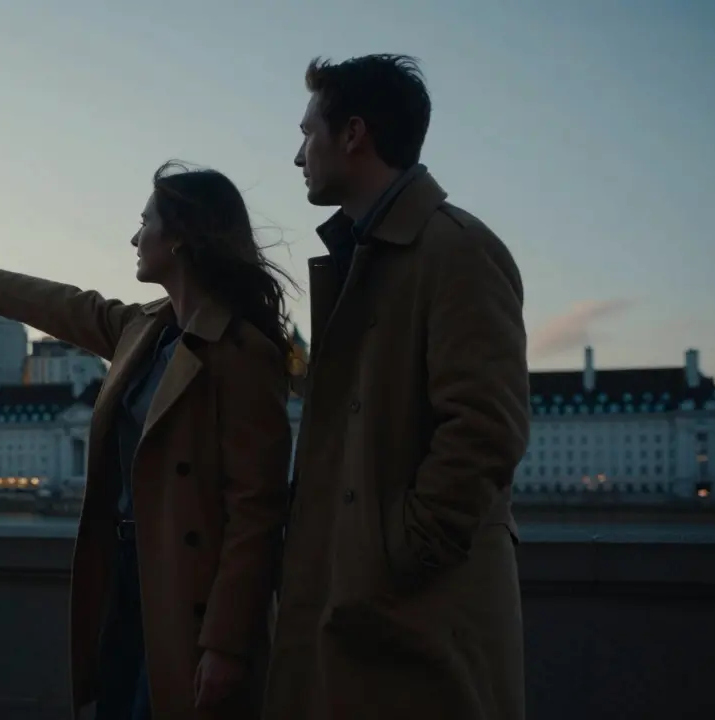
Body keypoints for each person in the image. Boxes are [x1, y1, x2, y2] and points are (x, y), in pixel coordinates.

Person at [0, 161, 294, 720]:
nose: (134, 237)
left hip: (187, 585)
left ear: (179, 236)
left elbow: (256, 511)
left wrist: (227, 643)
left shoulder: (243, 352)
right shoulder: (146, 330)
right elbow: (78, 309)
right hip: (126, 570)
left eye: (145, 222)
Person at [262, 55, 530, 720]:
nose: (298, 156)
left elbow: (486, 428)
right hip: (363, 606)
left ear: (352, 134)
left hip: (414, 615)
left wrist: (394, 554)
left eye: (306, 134)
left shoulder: (457, 249)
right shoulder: (371, 255)